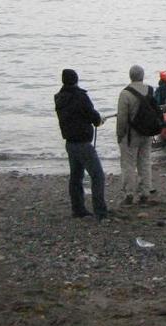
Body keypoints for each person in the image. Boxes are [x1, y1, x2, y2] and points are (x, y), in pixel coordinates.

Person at [54, 69, 108, 221]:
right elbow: (93, 117)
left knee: (76, 177)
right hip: (83, 144)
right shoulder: (80, 96)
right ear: (76, 80)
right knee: (97, 176)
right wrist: (99, 120)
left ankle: (78, 209)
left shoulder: (59, 98)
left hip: (70, 143)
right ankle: (100, 212)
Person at [116, 65, 155, 206]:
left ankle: (129, 194)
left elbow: (121, 118)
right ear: (142, 76)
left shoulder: (125, 93)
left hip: (131, 135)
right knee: (145, 162)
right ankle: (145, 192)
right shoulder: (150, 90)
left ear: (130, 76)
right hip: (147, 132)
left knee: (129, 164)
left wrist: (119, 134)